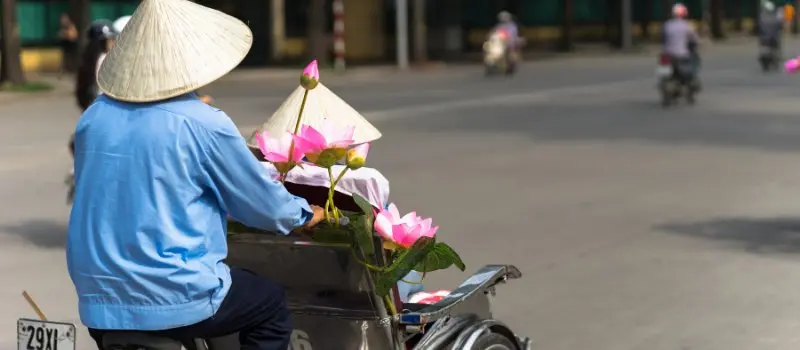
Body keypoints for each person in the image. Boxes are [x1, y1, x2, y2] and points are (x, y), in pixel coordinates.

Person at [66, 0, 326, 349]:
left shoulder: (93, 119)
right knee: (269, 306)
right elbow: (262, 205)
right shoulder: (202, 122)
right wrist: (304, 215)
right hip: (175, 295)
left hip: (99, 303)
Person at [74, 20, 117, 112]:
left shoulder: (88, 59)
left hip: (92, 108)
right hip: (104, 106)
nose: (114, 42)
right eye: (110, 39)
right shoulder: (105, 59)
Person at [662, 4, 701, 88]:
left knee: (663, 67)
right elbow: (695, 38)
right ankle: (690, 82)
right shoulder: (687, 26)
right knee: (693, 62)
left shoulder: (667, 25)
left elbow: (663, 39)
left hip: (667, 54)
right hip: (681, 54)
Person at [57, 13, 79, 78]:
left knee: (71, 58)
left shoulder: (70, 26)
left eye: (64, 19)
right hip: (66, 45)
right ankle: (63, 71)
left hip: (71, 44)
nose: (62, 21)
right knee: (65, 58)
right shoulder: (64, 27)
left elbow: (72, 36)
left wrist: (64, 34)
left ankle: (73, 70)